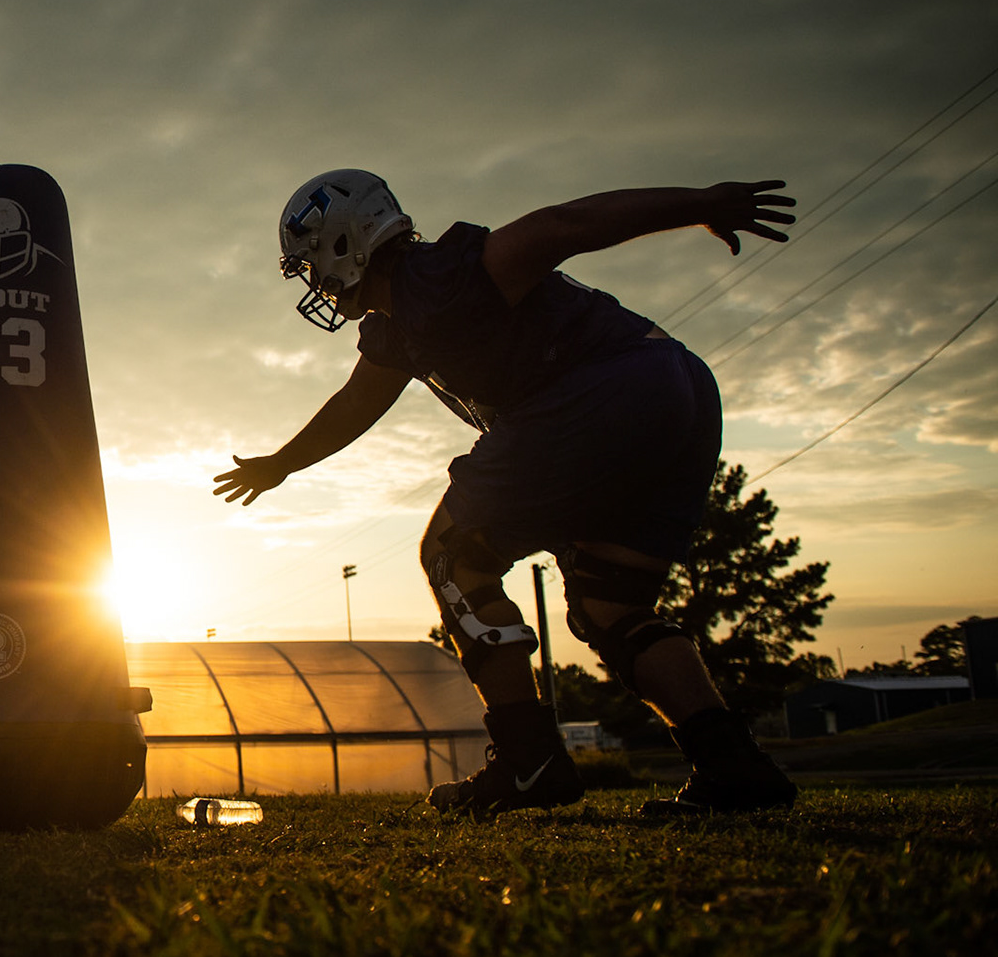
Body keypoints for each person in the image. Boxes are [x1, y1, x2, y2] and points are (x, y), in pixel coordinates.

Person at [213, 170, 800, 817]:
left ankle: (530, 759)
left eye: (310, 262)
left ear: (345, 241)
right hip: (677, 387)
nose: (312, 281)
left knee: (452, 553)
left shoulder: (438, 276)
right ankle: (731, 763)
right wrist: (280, 464)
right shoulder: (402, 318)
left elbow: (561, 227)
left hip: (603, 389)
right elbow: (356, 403)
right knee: (611, 605)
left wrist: (699, 203)